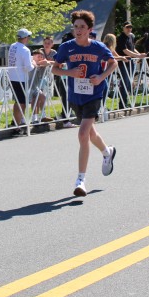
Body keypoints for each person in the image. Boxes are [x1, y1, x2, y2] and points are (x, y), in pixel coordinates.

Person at [51, 10, 118, 198]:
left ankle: (80, 180)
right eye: (76, 27)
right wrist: (69, 73)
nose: (78, 30)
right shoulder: (66, 48)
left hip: (94, 94)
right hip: (76, 96)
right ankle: (107, 152)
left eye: (82, 27)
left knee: (82, 134)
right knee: (90, 133)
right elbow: (55, 69)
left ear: (89, 29)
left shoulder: (98, 47)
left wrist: (101, 77)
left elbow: (113, 63)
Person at [6, 28, 37, 132]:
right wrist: (34, 64)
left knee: (18, 101)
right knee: (21, 102)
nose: (29, 39)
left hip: (12, 76)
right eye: (28, 37)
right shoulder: (25, 50)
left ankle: (16, 122)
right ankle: (16, 125)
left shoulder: (13, 46)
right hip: (20, 78)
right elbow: (28, 67)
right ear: (25, 38)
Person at [115, 22, 145, 108]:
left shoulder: (131, 36)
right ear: (123, 28)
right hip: (123, 63)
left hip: (131, 62)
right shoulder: (121, 38)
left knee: (129, 83)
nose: (129, 29)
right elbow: (125, 50)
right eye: (127, 27)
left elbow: (132, 48)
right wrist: (137, 56)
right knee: (125, 82)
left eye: (130, 27)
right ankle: (122, 104)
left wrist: (139, 54)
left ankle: (125, 102)